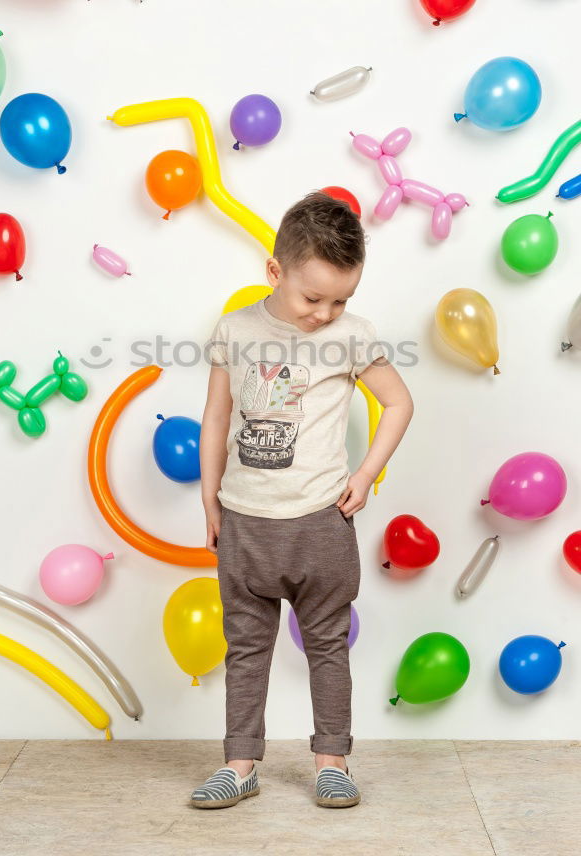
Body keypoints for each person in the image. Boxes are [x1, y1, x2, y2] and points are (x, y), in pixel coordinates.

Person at [191, 191, 413, 810]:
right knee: (246, 647)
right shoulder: (235, 331)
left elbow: (399, 402)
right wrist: (211, 501)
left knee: (325, 644)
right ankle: (240, 765)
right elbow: (215, 418)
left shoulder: (352, 336)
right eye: (312, 297)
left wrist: (365, 474)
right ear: (274, 272)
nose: (325, 312)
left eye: (341, 299)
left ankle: (332, 762)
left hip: (320, 523)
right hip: (245, 522)